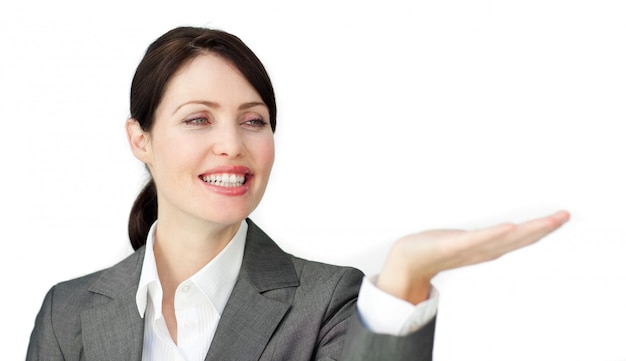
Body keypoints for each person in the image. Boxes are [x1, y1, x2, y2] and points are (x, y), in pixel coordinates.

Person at [26, 26, 570, 361]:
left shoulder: (328, 303)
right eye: (198, 120)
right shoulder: (67, 312)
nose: (231, 145)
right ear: (139, 139)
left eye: (253, 121)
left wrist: (403, 277)